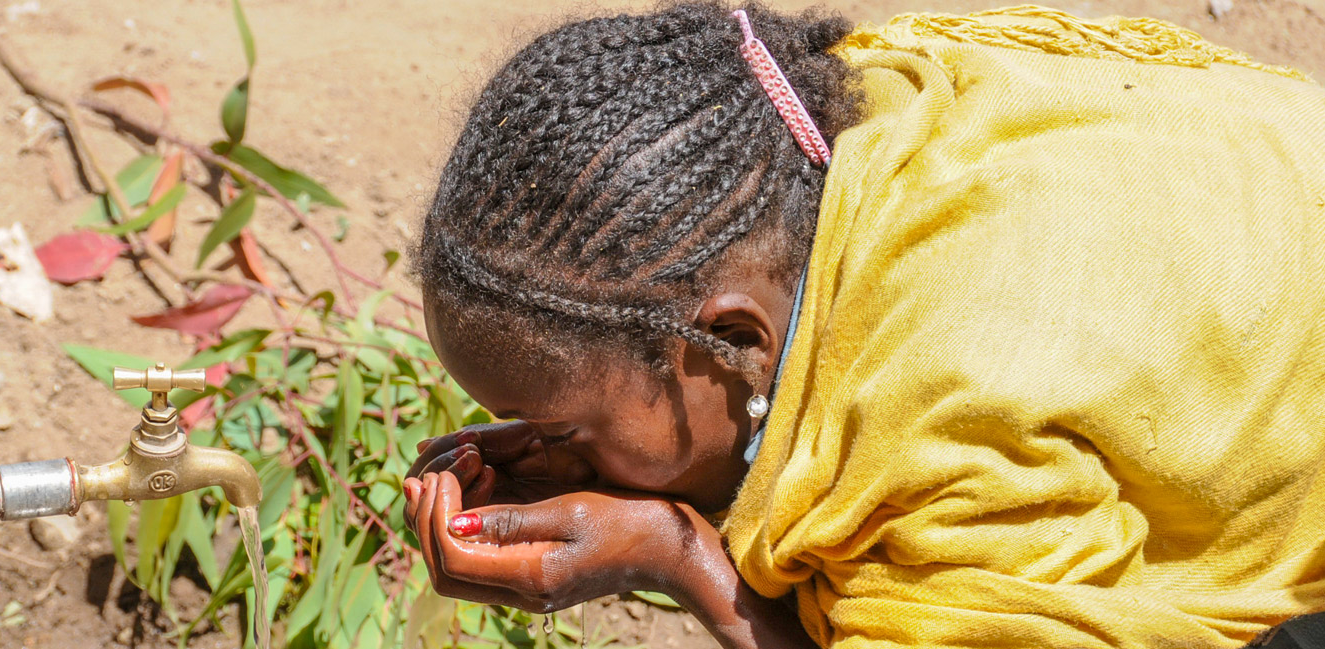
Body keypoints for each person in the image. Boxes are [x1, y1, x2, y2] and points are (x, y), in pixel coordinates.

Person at [401, 3, 1325, 647]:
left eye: (563, 434)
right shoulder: (834, 117)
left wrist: (677, 556)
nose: (543, 457)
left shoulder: (945, 418)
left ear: (737, 344)